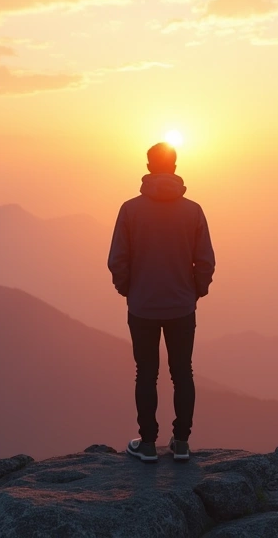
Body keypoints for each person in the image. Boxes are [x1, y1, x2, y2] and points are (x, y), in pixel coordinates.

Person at [108, 142, 215, 463]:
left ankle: (149, 444)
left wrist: (129, 289)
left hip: (142, 307)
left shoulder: (130, 209)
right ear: (175, 165)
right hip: (182, 306)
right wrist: (195, 291)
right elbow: (205, 260)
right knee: (183, 372)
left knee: (146, 373)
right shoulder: (192, 210)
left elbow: (118, 259)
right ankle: (181, 443)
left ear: (149, 165)